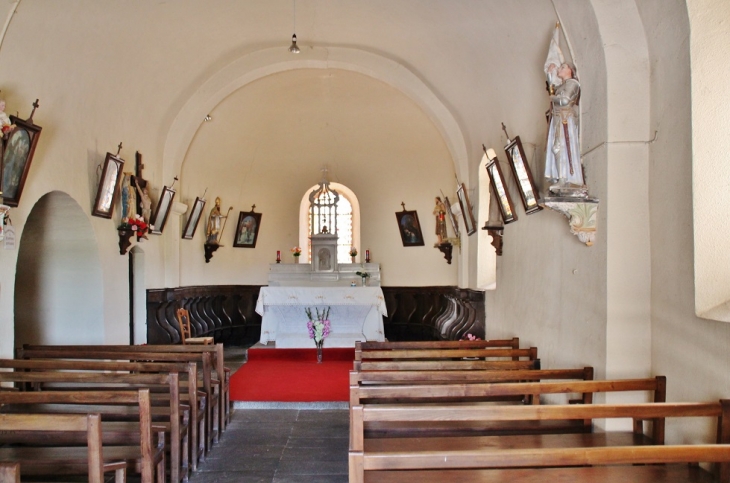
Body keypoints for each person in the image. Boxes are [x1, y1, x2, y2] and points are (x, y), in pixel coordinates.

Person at [543, 25, 587, 197]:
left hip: (565, 120)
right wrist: (550, 74)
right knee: (555, 148)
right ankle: (560, 177)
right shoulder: (562, 85)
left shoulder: (572, 84)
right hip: (558, 120)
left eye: (562, 67)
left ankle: (567, 178)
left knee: (563, 148)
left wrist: (553, 98)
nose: (559, 69)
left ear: (570, 70)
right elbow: (552, 88)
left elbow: (564, 100)